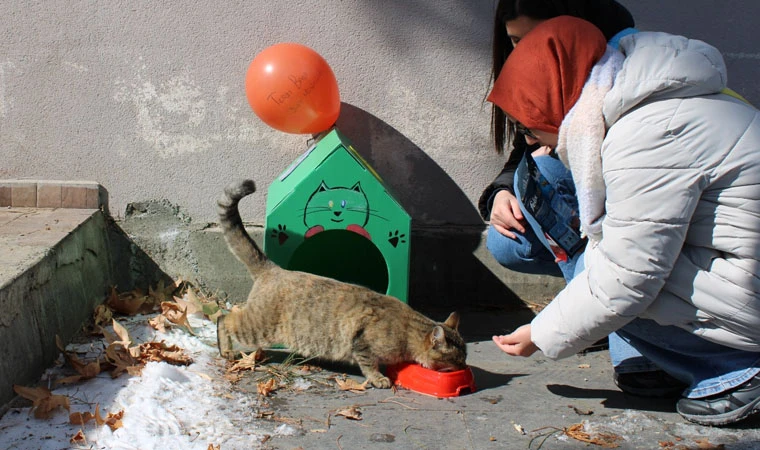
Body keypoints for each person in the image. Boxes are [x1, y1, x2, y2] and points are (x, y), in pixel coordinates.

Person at [489, 15, 760, 426]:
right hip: (741, 274)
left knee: (604, 283)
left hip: (748, 290)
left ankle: (735, 372)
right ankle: (666, 362)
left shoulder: (647, 134)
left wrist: (542, 333)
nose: (526, 139)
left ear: (557, 96)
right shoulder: (640, 96)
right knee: (580, 245)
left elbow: (630, 279)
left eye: (528, 125)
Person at [480, 0, 636, 283]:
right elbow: (525, 146)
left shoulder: (617, 81)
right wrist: (502, 191)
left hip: (672, 275)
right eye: (516, 41)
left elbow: (645, 259)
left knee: (543, 173)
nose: (527, 53)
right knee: (507, 241)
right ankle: (584, 291)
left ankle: (587, 297)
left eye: (539, 39)